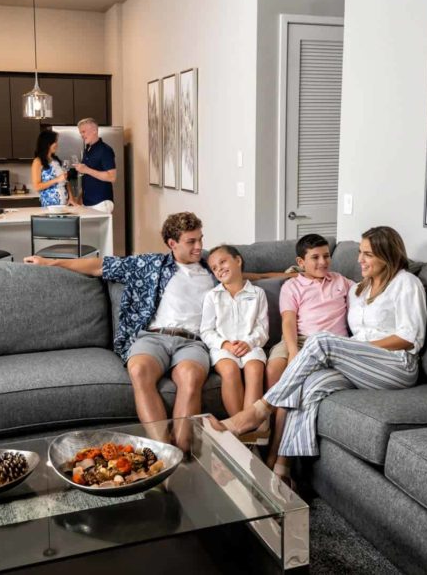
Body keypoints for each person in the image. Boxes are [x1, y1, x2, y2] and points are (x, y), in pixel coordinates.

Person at [222, 226, 426, 483]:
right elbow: (299, 283)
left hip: (396, 365)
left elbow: (410, 337)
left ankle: (260, 410)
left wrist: (357, 350)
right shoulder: (360, 288)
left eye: (367, 255)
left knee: (321, 341)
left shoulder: (406, 283)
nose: (359, 260)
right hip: (361, 364)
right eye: (360, 253)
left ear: (387, 255)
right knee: (310, 386)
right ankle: (283, 471)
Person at [25, 212, 213, 429]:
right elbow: (100, 266)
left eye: (200, 239)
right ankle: (166, 451)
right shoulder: (150, 265)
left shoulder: (213, 268)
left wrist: (262, 275)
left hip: (192, 342)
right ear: (172, 244)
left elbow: (241, 277)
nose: (199, 246)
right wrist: (50, 262)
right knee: (139, 371)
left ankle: (183, 454)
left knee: (190, 379)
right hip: (153, 337)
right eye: (191, 241)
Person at [261, 234, 355, 467]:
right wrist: (293, 351)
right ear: (300, 262)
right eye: (315, 257)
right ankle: (269, 434)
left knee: (293, 384)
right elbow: (288, 322)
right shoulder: (292, 286)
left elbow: (370, 291)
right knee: (274, 369)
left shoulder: (341, 282)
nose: (323, 262)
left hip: (327, 345)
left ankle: (275, 453)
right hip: (296, 339)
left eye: (326, 256)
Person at [200, 245, 269, 423]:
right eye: (214, 268)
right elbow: (206, 331)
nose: (219, 268)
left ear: (238, 261)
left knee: (254, 368)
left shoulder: (258, 293)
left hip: (251, 345)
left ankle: (249, 426)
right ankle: (241, 427)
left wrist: (249, 343)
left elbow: (262, 328)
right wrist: (225, 345)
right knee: (230, 371)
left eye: (223, 262)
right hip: (223, 348)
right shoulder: (212, 296)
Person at [73, 118, 116, 208]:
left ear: (94, 131)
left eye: (83, 131)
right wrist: (80, 197)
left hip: (100, 202)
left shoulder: (105, 150)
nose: (82, 135)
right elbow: (88, 178)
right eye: (80, 132)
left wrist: (86, 170)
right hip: (87, 202)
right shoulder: (87, 149)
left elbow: (112, 177)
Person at [31, 129, 78, 208]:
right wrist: (56, 180)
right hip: (49, 205)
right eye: (55, 141)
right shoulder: (38, 161)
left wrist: (71, 197)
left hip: (64, 204)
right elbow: (37, 186)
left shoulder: (56, 160)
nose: (57, 144)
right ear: (47, 144)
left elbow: (65, 180)